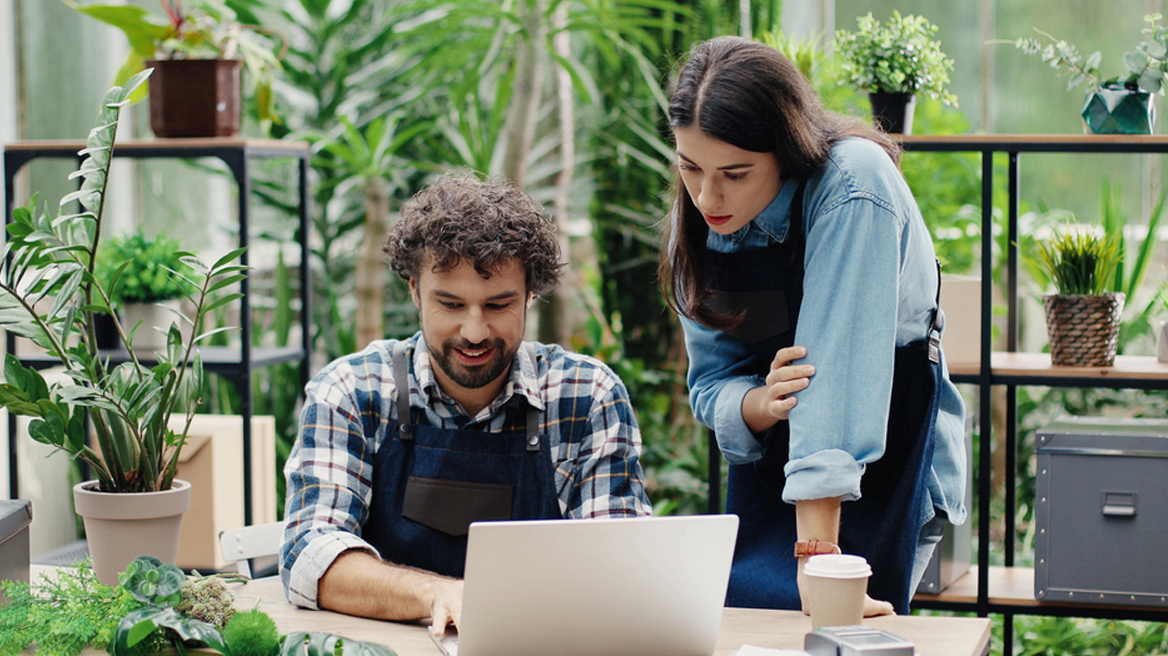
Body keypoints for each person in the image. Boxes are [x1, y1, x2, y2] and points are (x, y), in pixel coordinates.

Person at [658, 36, 967, 616]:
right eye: (689, 166)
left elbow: (830, 385)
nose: (707, 195)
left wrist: (818, 562)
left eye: (736, 172)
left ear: (788, 149)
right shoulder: (700, 213)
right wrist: (760, 404)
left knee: (838, 636)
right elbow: (712, 384)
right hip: (769, 475)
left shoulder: (854, 185)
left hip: (881, 462)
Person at [280, 173, 652, 634]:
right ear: (414, 289)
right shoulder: (352, 391)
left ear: (530, 296)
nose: (474, 332)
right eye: (451, 305)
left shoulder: (585, 395)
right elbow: (309, 558)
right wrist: (437, 594)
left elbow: (620, 567)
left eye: (498, 305)